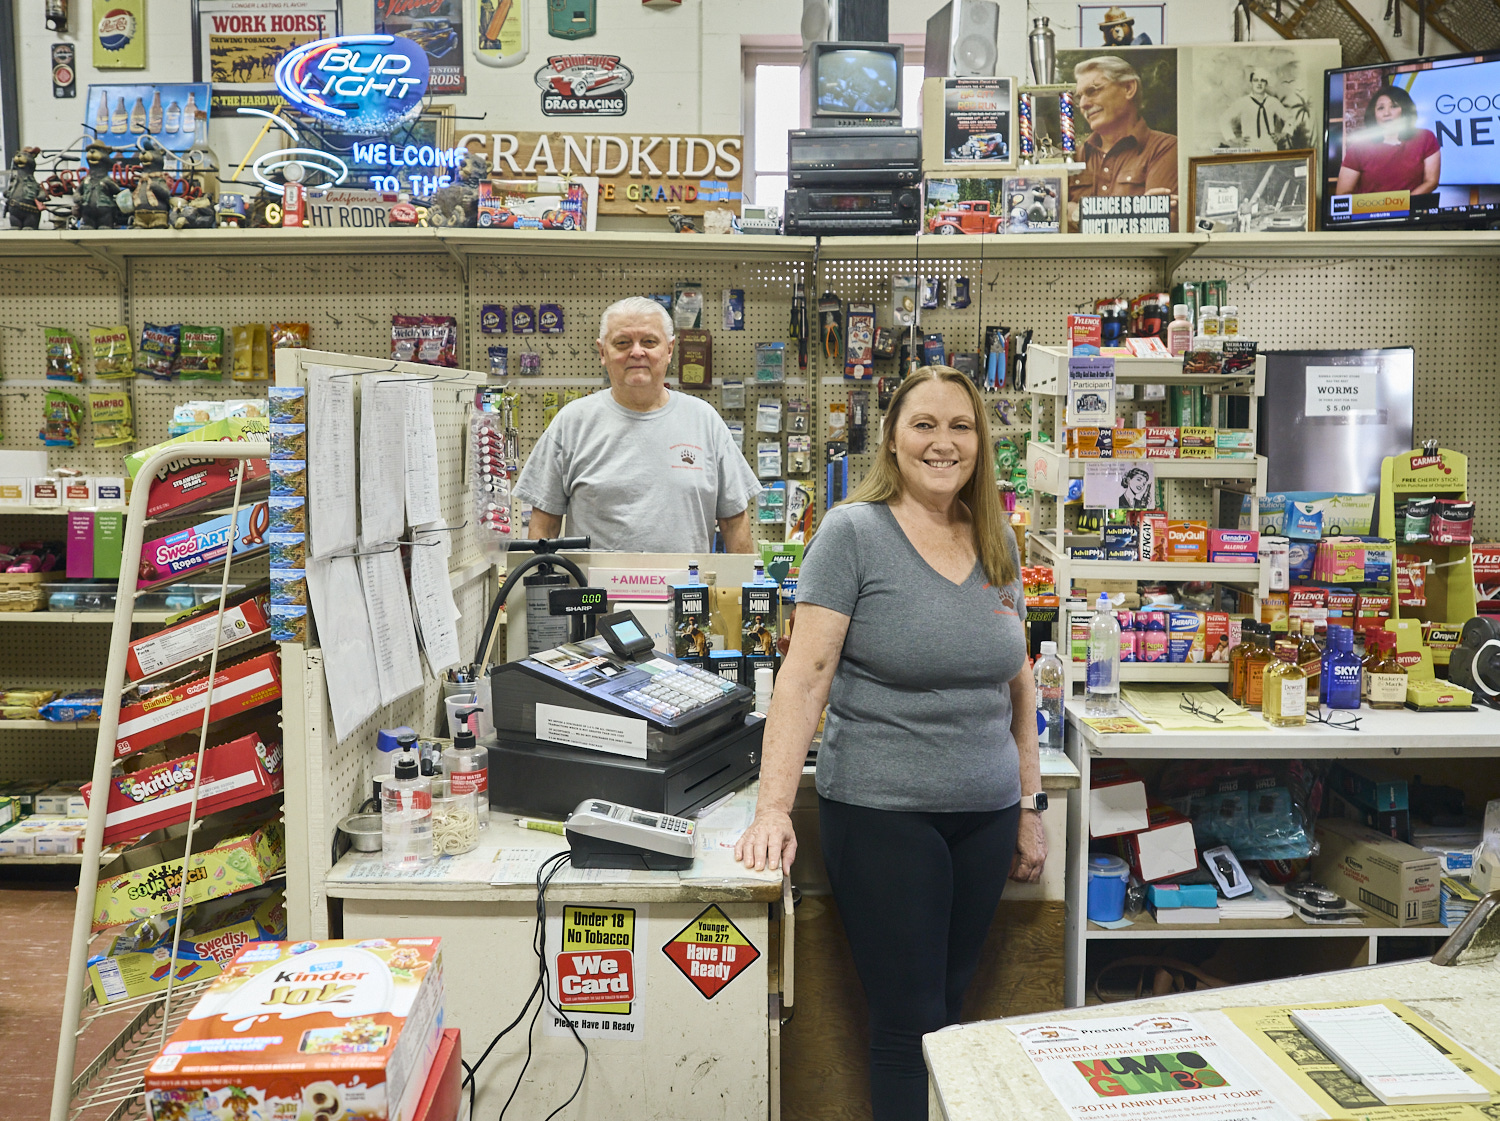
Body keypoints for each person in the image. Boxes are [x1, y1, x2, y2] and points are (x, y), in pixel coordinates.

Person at [734, 366, 1047, 1121]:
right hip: (883, 811)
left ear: (981, 441)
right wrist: (773, 808)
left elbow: (1020, 683)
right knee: (907, 1022)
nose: (944, 442)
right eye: (924, 425)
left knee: (948, 1006)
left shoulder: (996, 535)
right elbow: (803, 678)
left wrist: (1030, 804)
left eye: (961, 426)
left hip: (986, 812)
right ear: (892, 438)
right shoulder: (853, 532)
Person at [513, 296, 761, 552]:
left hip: (684, 592)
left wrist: (745, 589)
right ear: (602, 352)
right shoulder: (571, 423)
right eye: (622, 343)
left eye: (650, 342)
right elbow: (544, 527)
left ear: (669, 349)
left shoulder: (704, 421)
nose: (637, 352)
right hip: (592, 593)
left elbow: (734, 523)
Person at [1067, 55, 1178, 230]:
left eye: (1093, 91)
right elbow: (1049, 215)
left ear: (1128, 88)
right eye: (1079, 97)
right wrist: (1136, 213)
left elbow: (1159, 225)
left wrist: (1077, 214)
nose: (1083, 104)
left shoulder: (1165, 148)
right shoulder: (1073, 156)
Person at [1335, 83, 1441, 197]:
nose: (1386, 113)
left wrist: (1401, 205)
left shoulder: (1425, 137)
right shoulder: (1359, 147)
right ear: (1374, 114)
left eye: (1394, 106)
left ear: (1405, 110)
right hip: (1371, 212)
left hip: (1412, 211)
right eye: (1380, 108)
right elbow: (1342, 193)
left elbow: (1431, 182)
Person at [1220, 70, 1290, 152]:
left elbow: (1290, 118)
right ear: (1251, 83)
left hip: (1269, 148)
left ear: (1266, 83)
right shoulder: (1242, 102)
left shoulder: (1273, 102)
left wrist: (1282, 134)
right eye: (1256, 80)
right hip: (1249, 148)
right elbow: (1223, 119)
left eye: (1262, 80)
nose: (1259, 83)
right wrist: (1233, 139)